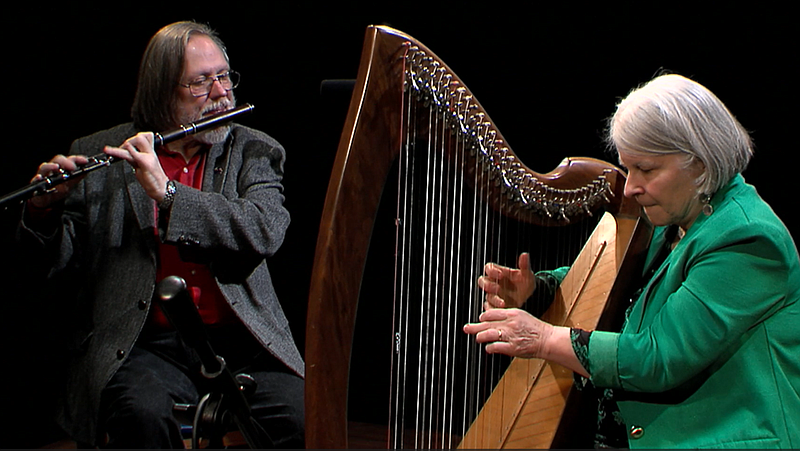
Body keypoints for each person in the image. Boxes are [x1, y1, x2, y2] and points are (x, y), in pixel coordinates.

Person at [463, 74, 800, 449]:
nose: (629, 187)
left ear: (700, 165)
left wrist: (543, 339)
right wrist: (539, 289)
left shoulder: (747, 240)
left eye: (646, 169)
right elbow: (628, 285)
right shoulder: (678, 216)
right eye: (628, 167)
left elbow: (658, 356)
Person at [17, 21, 305, 448]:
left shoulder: (254, 150)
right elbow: (54, 268)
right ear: (161, 90)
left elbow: (263, 229)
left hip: (240, 340)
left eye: (225, 76)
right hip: (142, 344)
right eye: (201, 82)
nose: (222, 93)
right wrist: (44, 210)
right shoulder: (105, 150)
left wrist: (168, 194)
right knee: (141, 413)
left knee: (299, 417)